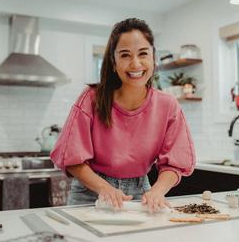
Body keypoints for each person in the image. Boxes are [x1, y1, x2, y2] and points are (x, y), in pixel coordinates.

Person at [50, 18, 196, 212]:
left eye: (143, 53)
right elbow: (72, 159)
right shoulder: (91, 99)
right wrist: (104, 188)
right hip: (91, 193)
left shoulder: (168, 105)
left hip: (142, 194)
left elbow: (175, 164)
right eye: (125, 55)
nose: (135, 64)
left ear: (153, 58)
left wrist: (158, 191)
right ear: (113, 62)